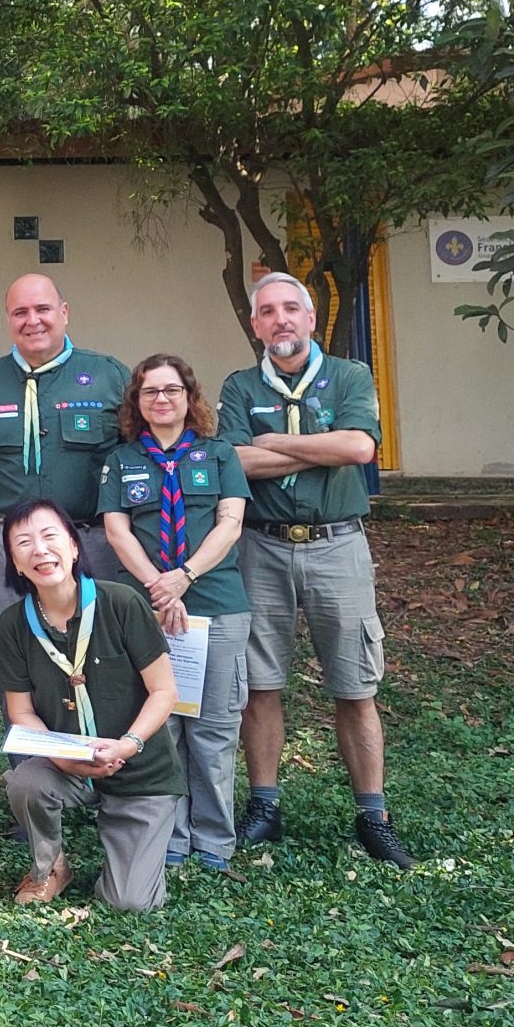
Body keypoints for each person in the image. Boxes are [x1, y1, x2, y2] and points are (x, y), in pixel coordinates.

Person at [217, 272, 410, 868]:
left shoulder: (349, 375)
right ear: (255, 325)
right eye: (268, 311)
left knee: (355, 685)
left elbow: (358, 449)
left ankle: (373, 815)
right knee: (260, 684)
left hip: (337, 546)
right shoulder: (239, 385)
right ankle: (265, 807)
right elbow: (231, 462)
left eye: (291, 309)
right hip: (261, 546)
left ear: (309, 317)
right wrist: (316, 445)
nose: (281, 320)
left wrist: (272, 441)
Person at [99, 352, 251, 872]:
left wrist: (183, 577)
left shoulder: (219, 454)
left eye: (171, 390)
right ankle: (171, 838)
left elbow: (230, 523)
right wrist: (156, 587)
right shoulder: (122, 461)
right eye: (149, 392)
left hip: (216, 603)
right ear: (136, 403)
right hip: (144, 608)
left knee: (212, 729)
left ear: (190, 397)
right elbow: (117, 529)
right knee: (160, 729)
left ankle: (214, 841)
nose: (161, 400)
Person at [0, 500, 183, 910]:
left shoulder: (121, 603)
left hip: (139, 770)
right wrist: (63, 758)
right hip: (69, 765)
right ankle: (50, 867)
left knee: (130, 903)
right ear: (15, 564)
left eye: (49, 536)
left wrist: (128, 744)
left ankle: (130, 849)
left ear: (75, 547)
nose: (39, 550)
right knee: (28, 782)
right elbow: (21, 713)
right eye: (23, 543)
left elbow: (164, 691)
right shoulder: (12, 625)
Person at [0, 274, 130, 651]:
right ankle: (17, 715)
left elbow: (136, 453)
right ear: (8, 320)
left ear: (64, 313)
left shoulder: (109, 377)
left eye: (43, 309)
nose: (32, 320)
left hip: (91, 537)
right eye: (20, 312)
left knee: (99, 646)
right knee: (11, 645)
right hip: (5, 539)